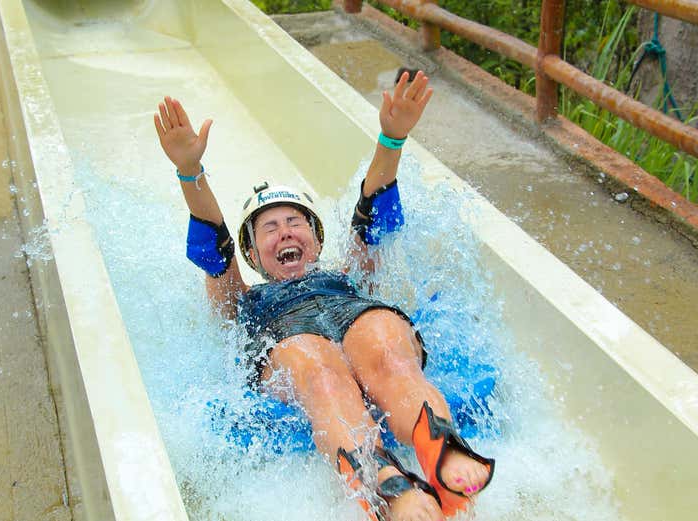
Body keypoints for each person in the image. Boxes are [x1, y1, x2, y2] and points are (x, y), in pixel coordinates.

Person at [154, 70, 493, 521]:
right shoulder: (244, 297)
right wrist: (189, 172)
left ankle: (444, 448)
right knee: (320, 372)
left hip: (356, 318)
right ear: (252, 254)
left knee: (387, 347)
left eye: (295, 222)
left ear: (315, 241)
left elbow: (371, 216)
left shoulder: (345, 276)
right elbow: (214, 246)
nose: (284, 232)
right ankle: (387, 485)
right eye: (269, 228)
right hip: (290, 337)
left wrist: (391, 140)